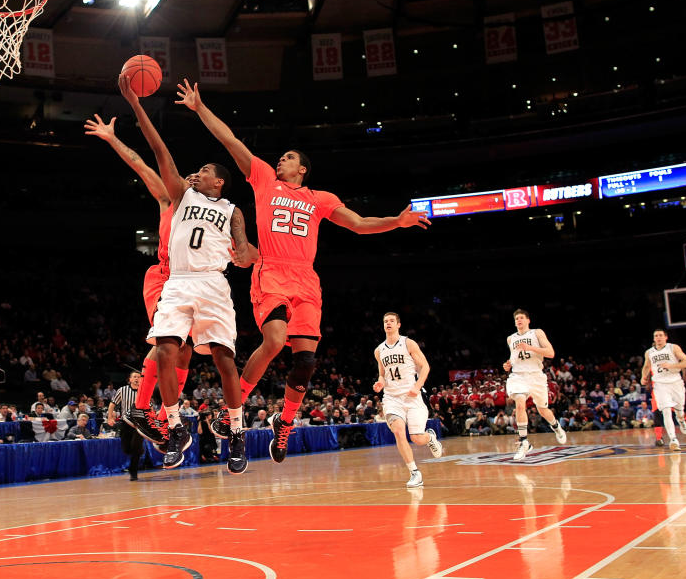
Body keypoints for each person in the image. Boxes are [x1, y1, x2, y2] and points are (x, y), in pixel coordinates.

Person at [175, 78, 429, 464]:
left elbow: (359, 224)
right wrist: (199, 108)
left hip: (307, 279)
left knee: (306, 362)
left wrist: (397, 220)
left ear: (303, 170)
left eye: (289, 158)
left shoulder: (320, 199)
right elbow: (231, 142)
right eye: (281, 158)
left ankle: (285, 421)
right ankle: (234, 409)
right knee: (275, 339)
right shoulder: (263, 180)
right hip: (273, 271)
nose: (281, 161)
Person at [88, 78, 252, 475]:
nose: (197, 172)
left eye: (205, 170)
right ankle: (164, 419)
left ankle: (235, 430)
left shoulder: (231, 210)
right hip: (171, 276)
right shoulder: (175, 194)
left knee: (220, 359)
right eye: (194, 169)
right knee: (167, 349)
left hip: (212, 281)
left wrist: (246, 255)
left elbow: (246, 255)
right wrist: (130, 112)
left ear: (219, 182)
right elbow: (153, 155)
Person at [85, 76, 197, 448]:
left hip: (191, 282)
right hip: (164, 277)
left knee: (185, 350)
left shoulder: (207, 215)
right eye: (188, 175)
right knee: (169, 342)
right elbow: (140, 162)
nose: (190, 179)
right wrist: (113, 138)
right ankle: (142, 407)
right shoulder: (168, 198)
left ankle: (163, 419)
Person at [373, 312, 442, 488]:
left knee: (417, 438)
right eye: (385, 321)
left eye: (391, 321)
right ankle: (414, 473)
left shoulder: (408, 343)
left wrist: (417, 386)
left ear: (398, 325)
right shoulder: (379, 350)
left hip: (412, 397)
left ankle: (430, 438)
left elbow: (425, 366)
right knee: (397, 430)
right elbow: (382, 374)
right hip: (391, 398)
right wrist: (380, 383)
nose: (388, 323)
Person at [502, 309, 567, 461]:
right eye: (516, 318)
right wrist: (508, 364)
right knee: (519, 402)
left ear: (528, 320)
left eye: (522, 318)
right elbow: (514, 358)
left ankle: (556, 427)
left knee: (543, 410)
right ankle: (524, 441)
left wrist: (530, 348)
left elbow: (550, 353)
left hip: (536, 376)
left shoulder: (537, 333)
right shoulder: (510, 339)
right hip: (518, 375)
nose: (519, 320)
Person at [642, 328, 686, 451]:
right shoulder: (649, 352)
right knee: (666, 410)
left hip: (675, 382)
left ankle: (681, 420)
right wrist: (643, 377)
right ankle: (673, 440)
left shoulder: (673, 348)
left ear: (666, 337)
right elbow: (646, 366)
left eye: (660, 335)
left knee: (679, 409)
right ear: (654, 338)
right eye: (656, 336)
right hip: (660, 384)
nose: (658, 337)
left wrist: (672, 365)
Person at [108, 371, 147, 481]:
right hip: (125, 422)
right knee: (126, 448)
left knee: (136, 446)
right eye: (134, 377)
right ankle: (139, 450)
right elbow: (112, 404)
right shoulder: (122, 390)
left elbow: (149, 407)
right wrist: (109, 417)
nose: (136, 379)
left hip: (139, 424)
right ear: (129, 379)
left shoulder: (144, 391)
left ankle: (133, 471)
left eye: (139, 377)